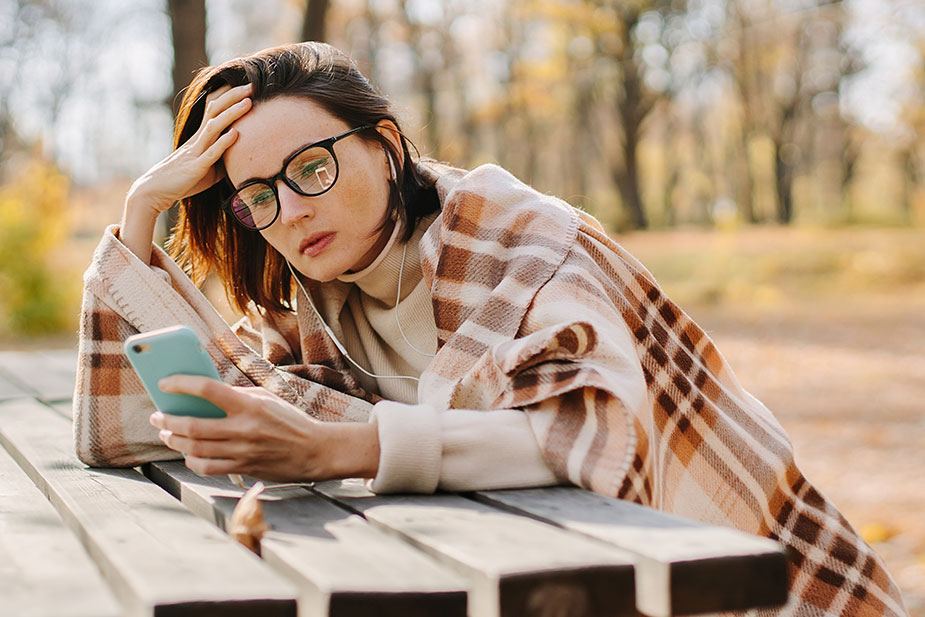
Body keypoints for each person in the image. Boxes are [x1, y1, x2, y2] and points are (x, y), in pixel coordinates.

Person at [73, 42, 906, 616]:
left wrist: (333, 449)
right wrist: (145, 205)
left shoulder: (526, 240)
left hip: (756, 576)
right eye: (258, 195)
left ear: (387, 147)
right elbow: (122, 437)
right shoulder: (315, 311)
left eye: (312, 168)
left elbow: (591, 436)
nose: (289, 210)